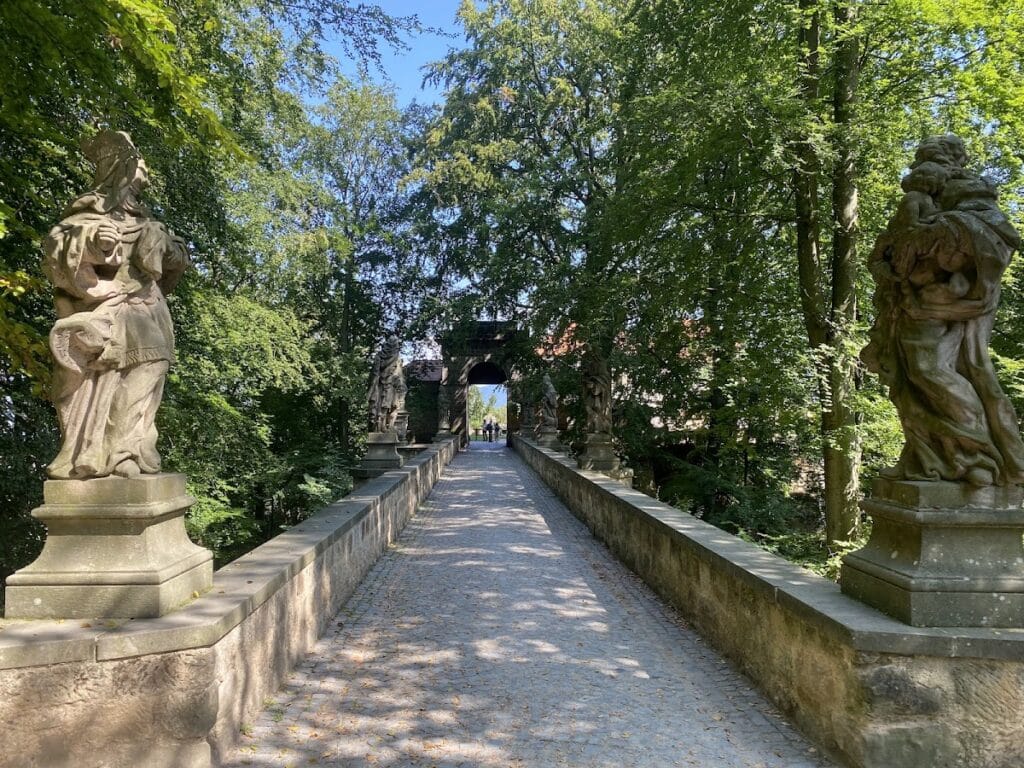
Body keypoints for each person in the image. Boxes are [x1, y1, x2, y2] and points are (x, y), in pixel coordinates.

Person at [863, 134, 1024, 486]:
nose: (925, 160)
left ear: (954, 159)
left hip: (947, 304)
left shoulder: (970, 190)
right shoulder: (919, 196)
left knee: (930, 369)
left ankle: (977, 453)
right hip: (909, 302)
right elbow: (890, 246)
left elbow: (997, 237)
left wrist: (937, 234)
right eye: (923, 155)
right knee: (909, 381)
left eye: (934, 154)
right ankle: (929, 456)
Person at [45, 130, 189, 479]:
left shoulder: (146, 221)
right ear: (121, 168)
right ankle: (110, 454)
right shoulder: (87, 215)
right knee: (109, 380)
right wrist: (95, 242)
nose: (147, 175)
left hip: (149, 310)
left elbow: (176, 262)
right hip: (109, 311)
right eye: (142, 166)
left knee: (150, 372)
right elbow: (57, 251)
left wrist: (169, 251)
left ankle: (131, 449)